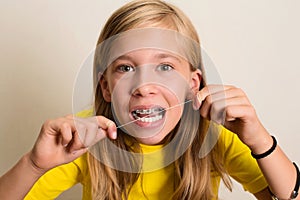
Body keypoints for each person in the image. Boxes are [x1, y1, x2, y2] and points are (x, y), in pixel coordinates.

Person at [0, 0, 299, 199]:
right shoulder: (85, 141)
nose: (144, 86)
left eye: (165, 67)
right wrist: (33, 165)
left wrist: (260, 140)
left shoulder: (216, 135)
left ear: (192, 85)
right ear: (106, 88)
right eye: (126, 68)